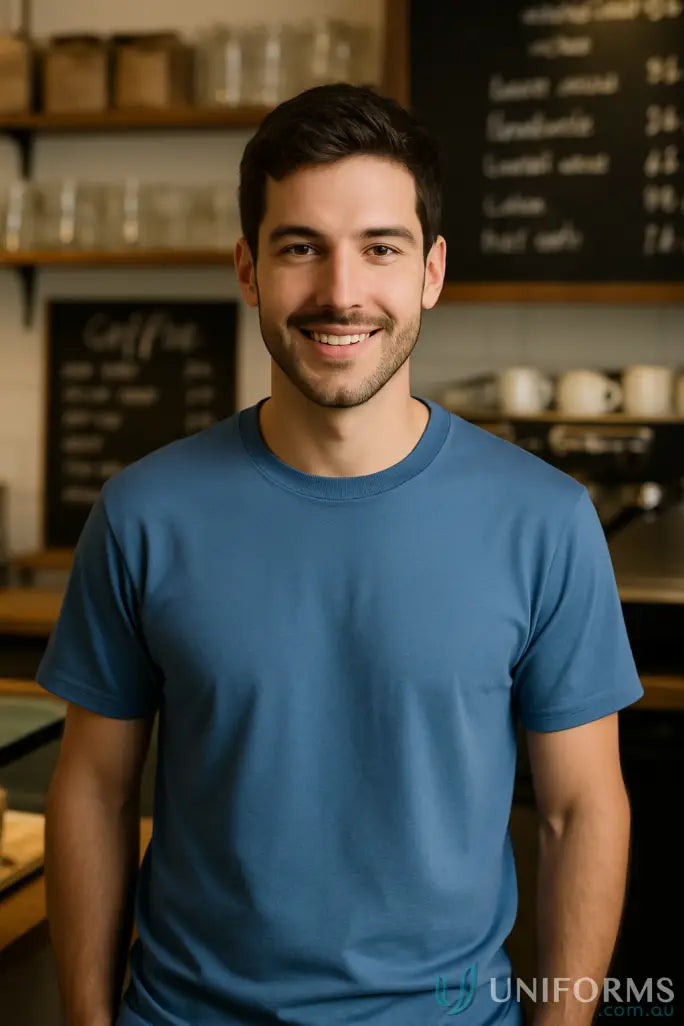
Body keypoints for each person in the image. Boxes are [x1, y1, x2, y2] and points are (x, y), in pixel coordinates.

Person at [37, 83, 643, 1026]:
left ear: (432, 271)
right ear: (247, 268)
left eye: (381, 248)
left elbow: (583, 811)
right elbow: (93, 788)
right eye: (300, 248)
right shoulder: (142, 514)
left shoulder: (546, 522)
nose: (341, 292)